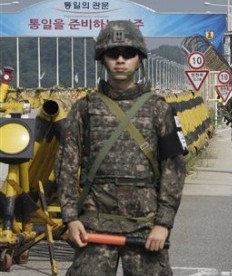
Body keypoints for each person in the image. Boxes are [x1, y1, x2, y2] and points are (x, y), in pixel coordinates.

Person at [56, 20, 186, 275]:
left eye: (128, 53)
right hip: (94, 224)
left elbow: (174, 168)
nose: (120, 59)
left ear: (139, 59)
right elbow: (66, 167)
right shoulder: (84, 109)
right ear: (102, 59)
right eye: (112, 53)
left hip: (145, 226)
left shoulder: (159, 109)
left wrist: (164, 223)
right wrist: (70, 218)